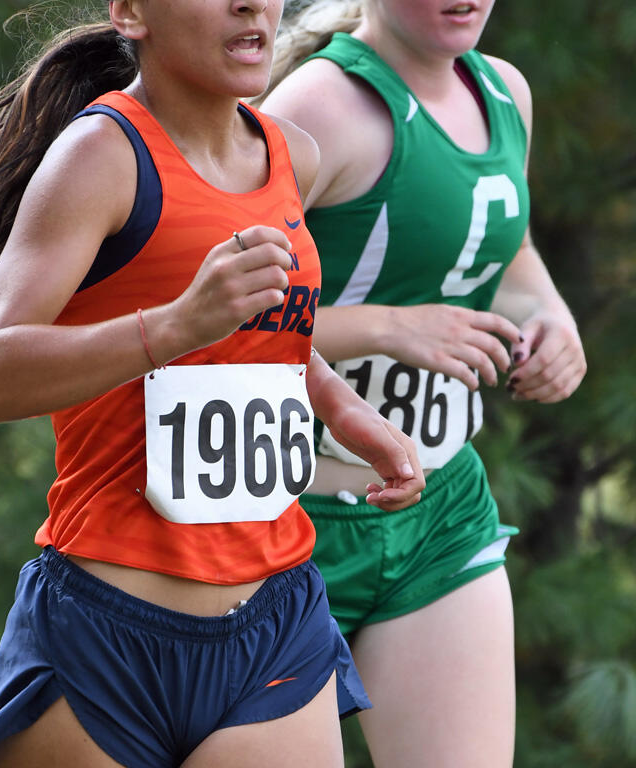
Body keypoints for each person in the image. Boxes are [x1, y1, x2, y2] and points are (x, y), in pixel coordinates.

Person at [0, 1, 427, 767]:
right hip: (106, 641)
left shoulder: (291, 155)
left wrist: (340, 407)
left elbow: (267, 329)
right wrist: (172, 326)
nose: (251, 4)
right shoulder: (101, 156)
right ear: (132, 11)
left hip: (274, 622)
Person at [260, 1, 587, 766]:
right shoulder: (318, 107)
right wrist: (385, 326)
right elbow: (209, 313)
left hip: (440, 509)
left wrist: (551, 315)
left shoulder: (504, 92)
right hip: (283, 522)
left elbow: (503, 247)